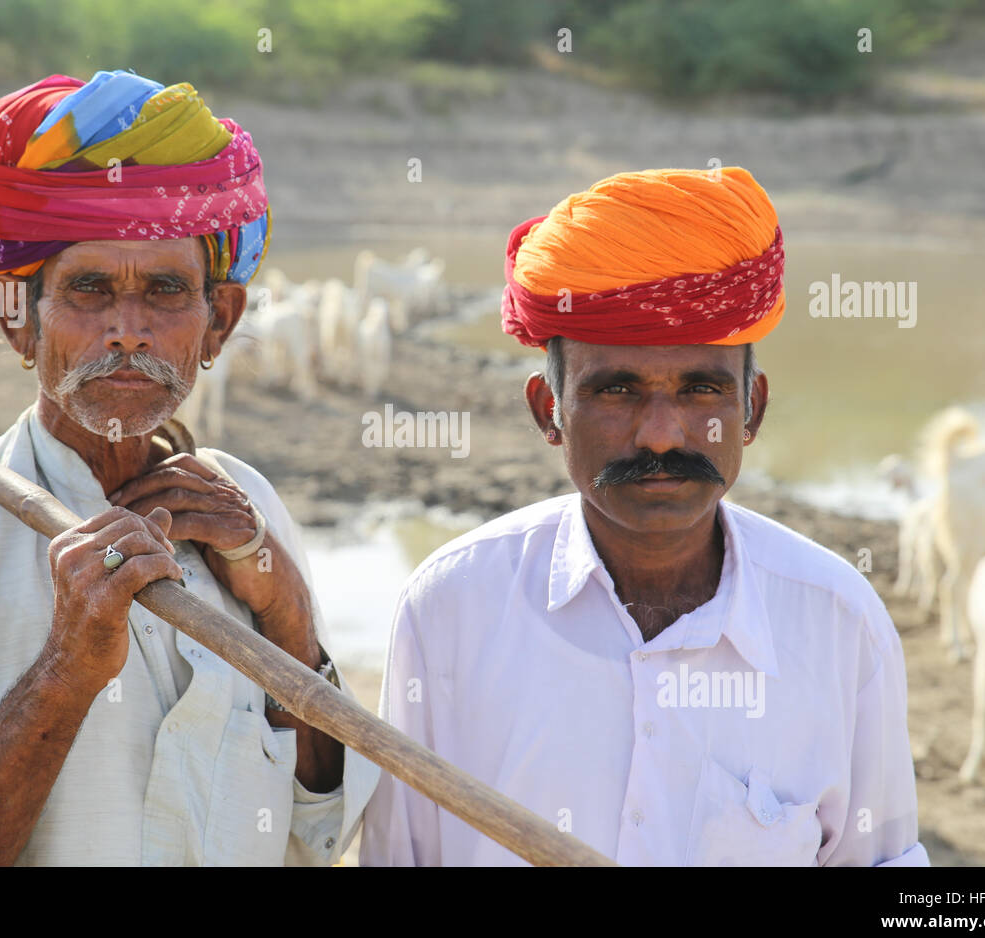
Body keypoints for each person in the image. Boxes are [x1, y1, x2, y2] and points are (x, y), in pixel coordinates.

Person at [0, 70, 378, 866]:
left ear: (220, 324)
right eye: (89, 289)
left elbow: (317, 829)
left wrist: (287, 621)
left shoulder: (248, 510)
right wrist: (68, 668)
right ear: (18, 324)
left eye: (168, 291)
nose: (128, 331)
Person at [361, 168, 928, 866]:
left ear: (750, 410)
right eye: (617, 390)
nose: (661, 434)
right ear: (548, 411)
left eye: (701, 390)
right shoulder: (449, 607)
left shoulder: (840, 621)